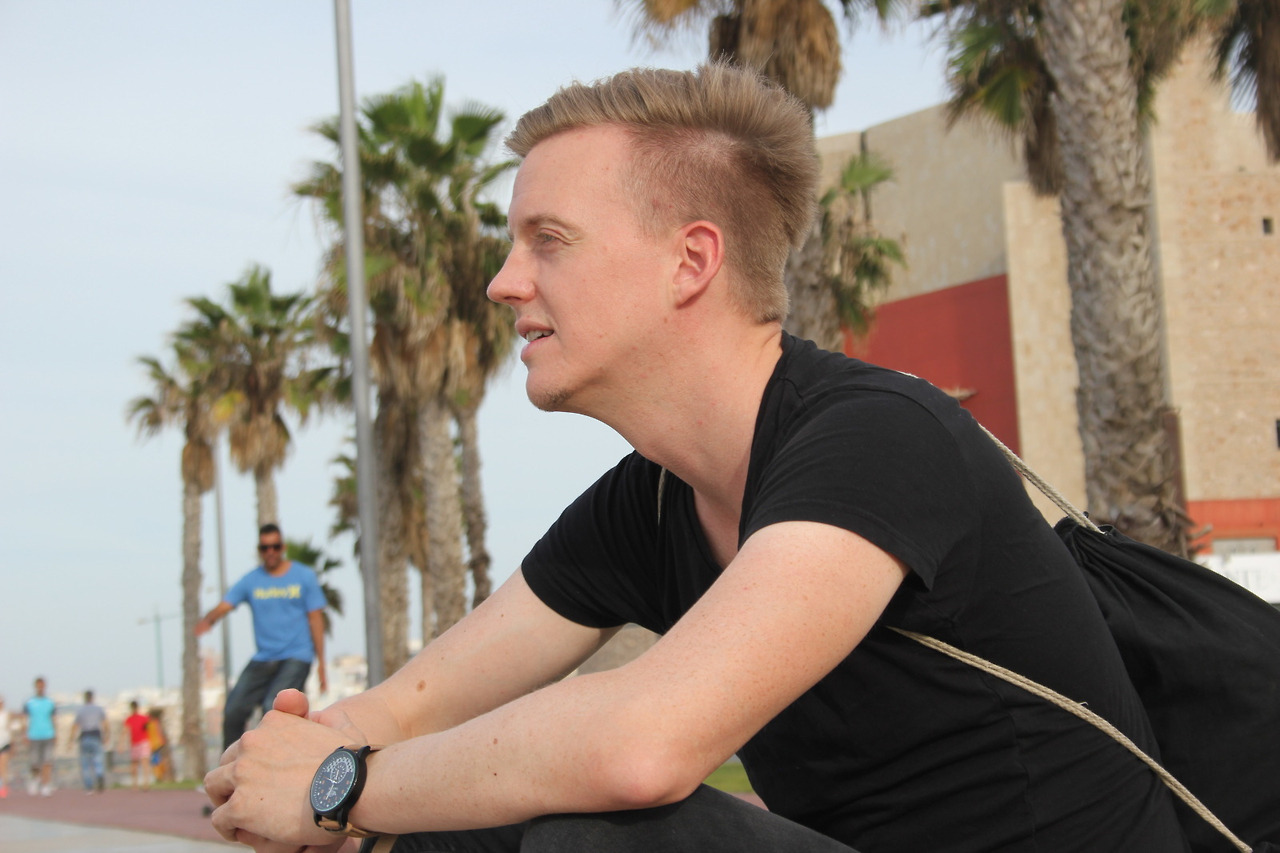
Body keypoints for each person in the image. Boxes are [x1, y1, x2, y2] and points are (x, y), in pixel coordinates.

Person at [204, 63, 1188, 852]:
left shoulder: (878, 435)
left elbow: (641, 744)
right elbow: (408, 708)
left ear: (690, 261)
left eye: (548, 240)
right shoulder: (650, 504)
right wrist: (282, 762)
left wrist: (337, 787)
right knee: (434, 820)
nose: (504, 282)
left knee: (597, 829)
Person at [196, 523, 328, 749]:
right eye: (265, 548)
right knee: (233, 710)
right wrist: (206, 622)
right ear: (259, 550)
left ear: (283, 547)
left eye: (275, 546)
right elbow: (225, 605)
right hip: (264, 658)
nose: (270, 552)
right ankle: (231, 765)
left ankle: (279, 763)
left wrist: (322, 664)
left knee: (273, 709)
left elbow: (316, 619)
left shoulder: (304, 577)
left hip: (296, 656)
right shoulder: (252, 580)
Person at [69, 690, 109, 793]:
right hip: (96, 735)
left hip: (84, 736)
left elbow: (75, 726)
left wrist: (71, 740)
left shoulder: (80, 710)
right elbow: (105, 723)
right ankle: (99, 775)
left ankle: (89, 786)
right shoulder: (98, 709)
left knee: (85, 764)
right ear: (92, 698)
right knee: (98, 760)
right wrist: (106, 736)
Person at [21, 677, 56, 796]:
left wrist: (55, 733)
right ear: (35, 687)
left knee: (47, 761)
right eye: (39, 686)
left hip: (48, 734)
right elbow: (25, 719)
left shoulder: (50, 702)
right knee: (34, 762)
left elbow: (53, 718)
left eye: (42, 685)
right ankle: (35, 779)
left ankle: (46, 785)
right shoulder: (29, 702)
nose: (41, 688)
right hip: (33, 735)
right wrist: (24, 733)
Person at [123, 700, 151, 790]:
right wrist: (121, 743)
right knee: (137, 764)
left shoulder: (142, 718)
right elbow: (125, 731)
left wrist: (121, 743)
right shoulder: (132, 719)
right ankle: (138, 783)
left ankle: (143, 783)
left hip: (141, 742)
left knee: (141, 763)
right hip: (138, 743)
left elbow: (149, 729)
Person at [0, 695, 11, 798]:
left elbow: (9, 729)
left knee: (3, 766)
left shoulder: (6, 715)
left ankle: (4, 787)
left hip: (4, 743)